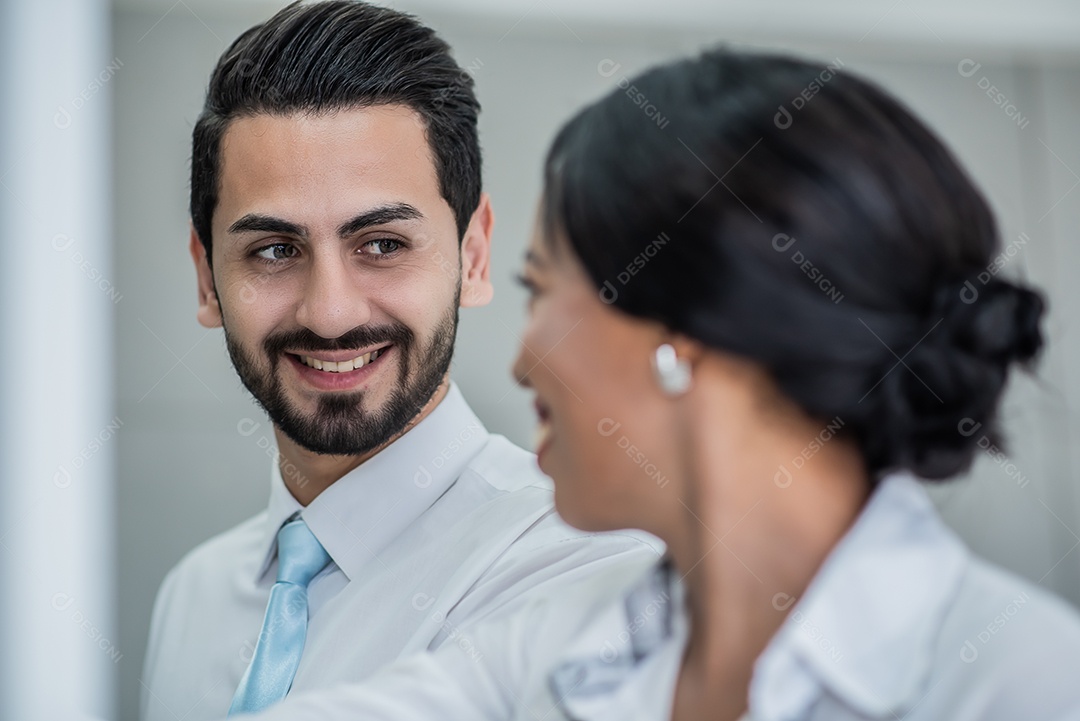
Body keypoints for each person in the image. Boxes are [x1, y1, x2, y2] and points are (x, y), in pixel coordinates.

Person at [229, 48, 1080, 720]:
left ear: (686, 335)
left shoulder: (1029, 684)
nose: (521, 361)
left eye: (540, 291)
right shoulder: (564, 637)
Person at [139, 2, 661, 720]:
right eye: (274, 250)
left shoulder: (590, 571)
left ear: (472, 256)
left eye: (381, 244)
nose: (330, 311)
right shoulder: (189, 595)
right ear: (207, 279)